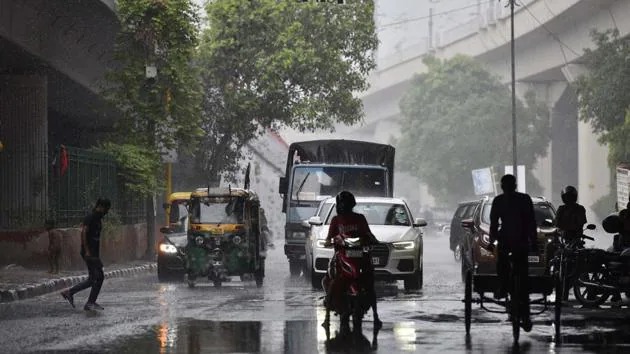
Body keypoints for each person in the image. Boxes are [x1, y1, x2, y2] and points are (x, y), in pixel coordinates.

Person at [322, 191, 382, 331]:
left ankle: (376, 315)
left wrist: (373, 240)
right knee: (335, 279)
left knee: (370, 280)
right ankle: (327, 316)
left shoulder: (360, 218)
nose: (345, 206)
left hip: (360, 255)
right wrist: (330, 241)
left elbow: (368, 233)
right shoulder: (336, 220)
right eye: (343, 204)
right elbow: (329, 237)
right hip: (342, 255)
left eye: (347, 204)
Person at [488, 174, 537, 332]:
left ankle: (503, 287)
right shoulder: (524, 199)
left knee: (504, 266)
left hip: (509, 241)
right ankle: (526, 314)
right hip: (519, 241)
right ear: (515, 186)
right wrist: (533, 242)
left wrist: (492, 241)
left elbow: (494, 224)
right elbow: (531, 222)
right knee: (522, 275)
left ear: (503, 187)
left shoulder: (499, 201)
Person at [60, 198, 111, 311]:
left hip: (94, 253)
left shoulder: (98, 219)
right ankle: (88, 302)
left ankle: (71, 293)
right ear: (101, 206)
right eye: (106, 209)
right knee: (98, 277)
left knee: (94, 278)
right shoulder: (91, 217)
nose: (107, 212)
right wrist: (87, 250)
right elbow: (83, 232)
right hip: (89, 252)